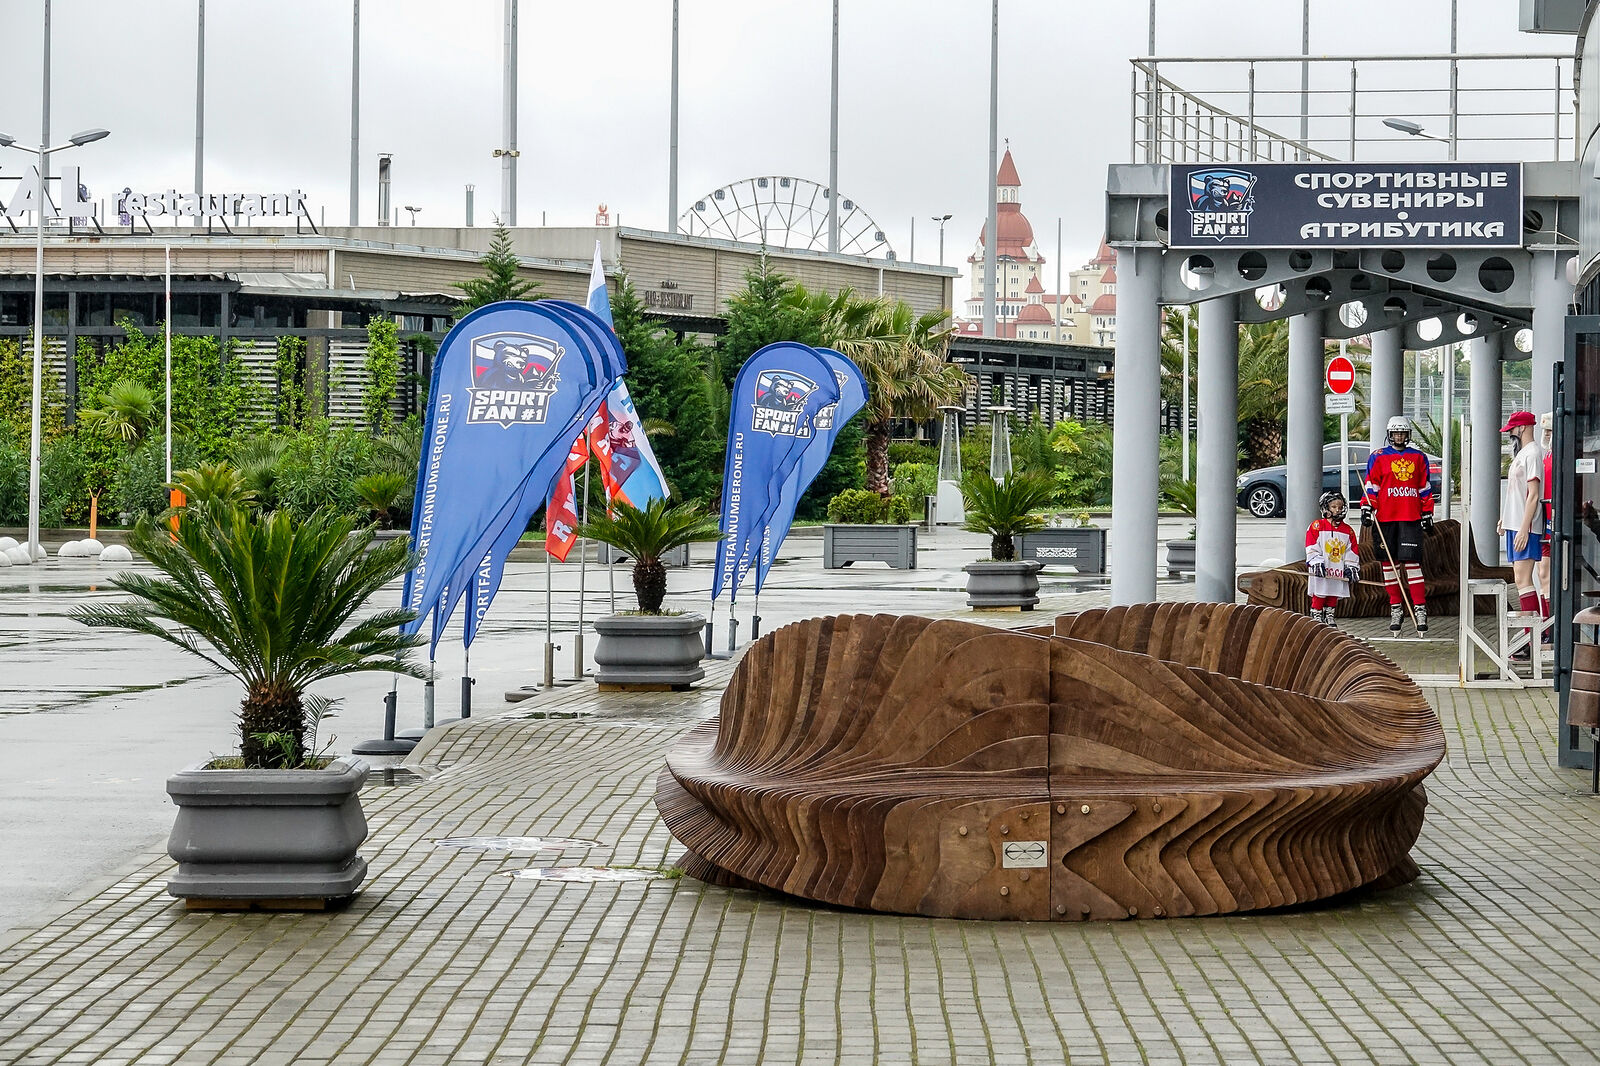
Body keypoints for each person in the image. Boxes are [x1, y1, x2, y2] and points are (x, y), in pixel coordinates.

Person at [1363, 415, 1434, 634]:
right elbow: (1372, 485)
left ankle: (1420, 609)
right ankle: (1396, 608)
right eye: (1395, 433)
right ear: (1389, 434)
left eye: (1402, 433)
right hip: (1385, 518)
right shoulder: (1378, 456)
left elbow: (1424, 487)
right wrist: (1367, 507)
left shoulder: (1418, 457)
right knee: (1389, 565)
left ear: (1408, 435)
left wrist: (1427, 512)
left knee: (1412, 564)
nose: (1399, 437)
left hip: (1410, 517)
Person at [1497, 410, 1546, 623]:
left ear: (1522, 427)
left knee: (1523, 578)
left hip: (1525, 526)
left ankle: (1534, 632)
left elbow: (1533, 495)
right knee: (1520, 579)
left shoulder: (1533, 453)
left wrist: (1525, 528)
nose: (1510, 433)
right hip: (1515, 524)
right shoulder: (1523, 453)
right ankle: (1532, 632)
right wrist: (1505, 518)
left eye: (1512, 429)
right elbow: (1516, 493)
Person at [1305, 492, 1361, 626]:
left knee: (1334, 591)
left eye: (1340, 507)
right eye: (1334, 507)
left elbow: (1351, 550)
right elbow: (1311, 545)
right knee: (1320, 590)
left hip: (1337, 567)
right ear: (1326, 508)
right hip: (1323, 567)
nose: (1337, 510)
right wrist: (1316, 561)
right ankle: (1316, 613)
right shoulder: (1317, 526)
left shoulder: (1348, 530)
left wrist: (1351, 566)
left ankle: (1329, 614)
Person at [1540, 411, 1554, 614]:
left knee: (1546, 573)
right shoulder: (1546, 455)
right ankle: (1546, 622)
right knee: (1542, 573)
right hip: (1544, 520)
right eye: (1545, 431)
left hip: (1553, 519)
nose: (1547, 434)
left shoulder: (1560, 456)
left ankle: (1550, 622)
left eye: (1550, 430)